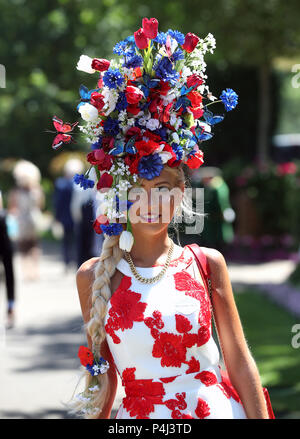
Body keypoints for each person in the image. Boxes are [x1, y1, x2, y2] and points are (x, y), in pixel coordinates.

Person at [60, 18, 271, 419]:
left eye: (165, 188)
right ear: (121, 194)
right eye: (140, 189)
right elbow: (103, 383)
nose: (154, 201)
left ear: (180, 193)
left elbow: (241, 364)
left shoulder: (207, 264)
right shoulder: (93, 278)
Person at [7, 160, 45, 282]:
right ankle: (35, 271)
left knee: (23, 247)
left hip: (22, 221)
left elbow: (12, 207)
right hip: (34, 219)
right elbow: (41, 205)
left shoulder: (16, 191)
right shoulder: (37, 189)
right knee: (34, 245)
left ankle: (26, 271)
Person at [53, 159, 80, 271]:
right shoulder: (75, 185)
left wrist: (57, 217)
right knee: (74, 239)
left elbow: (57, 202)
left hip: (67, 216)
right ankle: (72, 260)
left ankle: (68, 261)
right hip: (74, 216)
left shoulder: (61, 184)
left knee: (68, 240)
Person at [0, 190, 16, 328]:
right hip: (6, 246)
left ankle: (11, 306)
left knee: (9, 277)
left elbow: (13, 231)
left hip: (6, 247)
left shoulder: (4, 215)